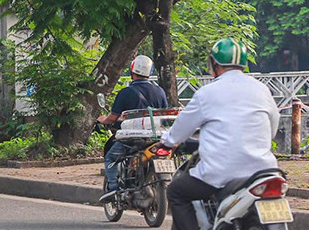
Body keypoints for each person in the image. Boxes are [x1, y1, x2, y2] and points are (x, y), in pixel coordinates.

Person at [160, 39, 279, 230]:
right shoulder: (262, 89)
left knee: (176, 191)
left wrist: (167, 143)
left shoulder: (207, 93)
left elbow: (181, 129)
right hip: (263, 171)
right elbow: (272, 128)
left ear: (215, 64)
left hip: (221, 173)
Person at [97, 55, 169, 199]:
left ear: (132, 70)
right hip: (156, 137)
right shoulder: (160, 91)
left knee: (111, 158)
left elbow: (112, 118)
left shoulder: (125, 93)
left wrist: (102, 119)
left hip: (132, 140)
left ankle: (113, 189)